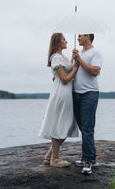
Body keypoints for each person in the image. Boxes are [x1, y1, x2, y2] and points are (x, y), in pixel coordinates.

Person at [38, 33, 79, 167]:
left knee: (65, 124)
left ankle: (50, 155)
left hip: (65, 94)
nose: (66, 41)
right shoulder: (56, 57)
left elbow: (65, 72)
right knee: (60, 124)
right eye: (63, 39)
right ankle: (55, 159)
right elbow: (65, 79)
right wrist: (76, 68)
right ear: (58, 42)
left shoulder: (62, 57)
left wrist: (72, 59)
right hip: (62, 93)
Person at [72, 33, 103, 175]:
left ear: (88, 36)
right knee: (83, 127)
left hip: (89, 93)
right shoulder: (78, 53)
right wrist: (74, 59)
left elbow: (95, 71)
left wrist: (79, 60)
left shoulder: (96, 52)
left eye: (81, 35)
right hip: (76, 93)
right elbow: (74, 71)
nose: (78, 38)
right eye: (77, 36)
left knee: (87, 128)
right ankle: (91, 157)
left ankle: (88, 161)